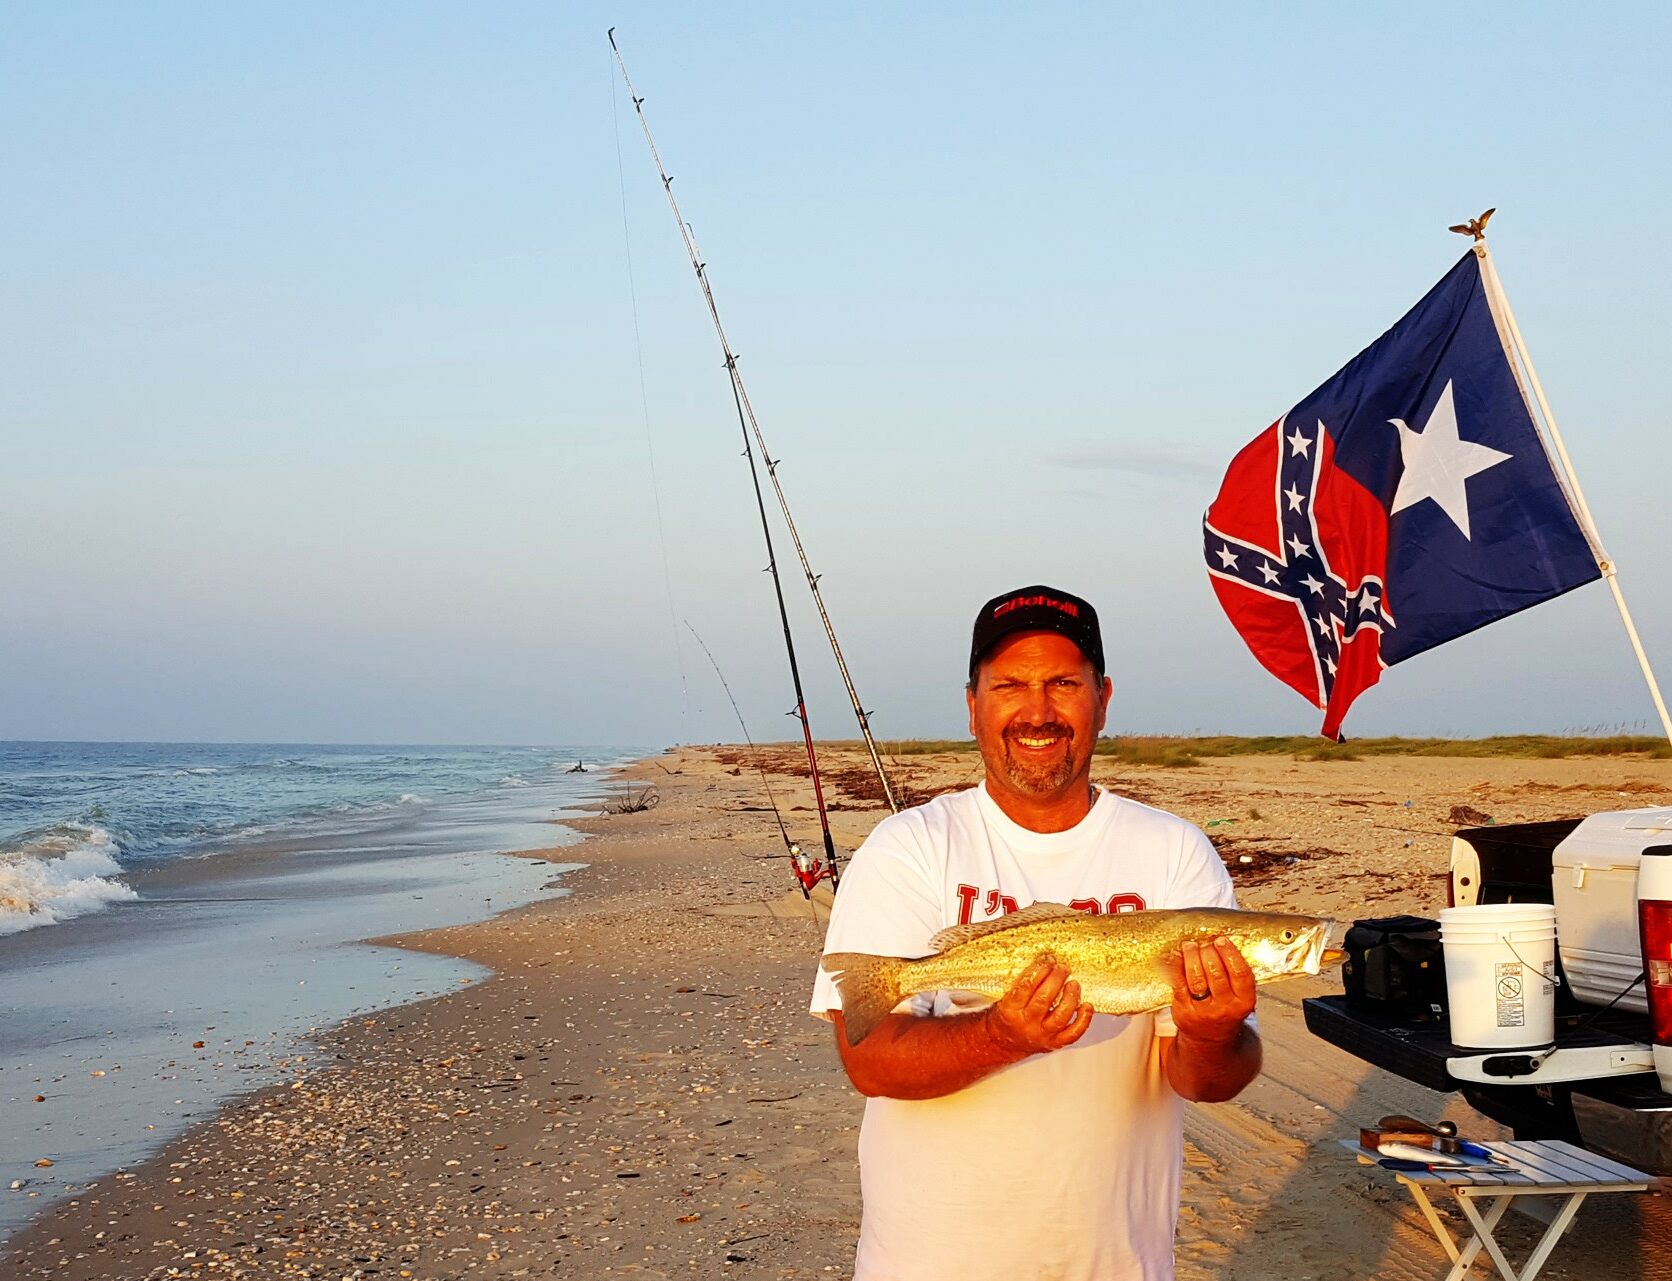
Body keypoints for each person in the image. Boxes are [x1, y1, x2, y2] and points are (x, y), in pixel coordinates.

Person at [808, 585, 1262, 1281]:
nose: (1038, 710)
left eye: (1063, 682)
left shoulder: (1176, 852)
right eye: (1010, 684)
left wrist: (1212, 1029)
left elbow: (1210, 1080)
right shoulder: (908, 847)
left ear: (1103, 698)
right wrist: (1004, 1033)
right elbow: (869, 1060)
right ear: (973, 705)